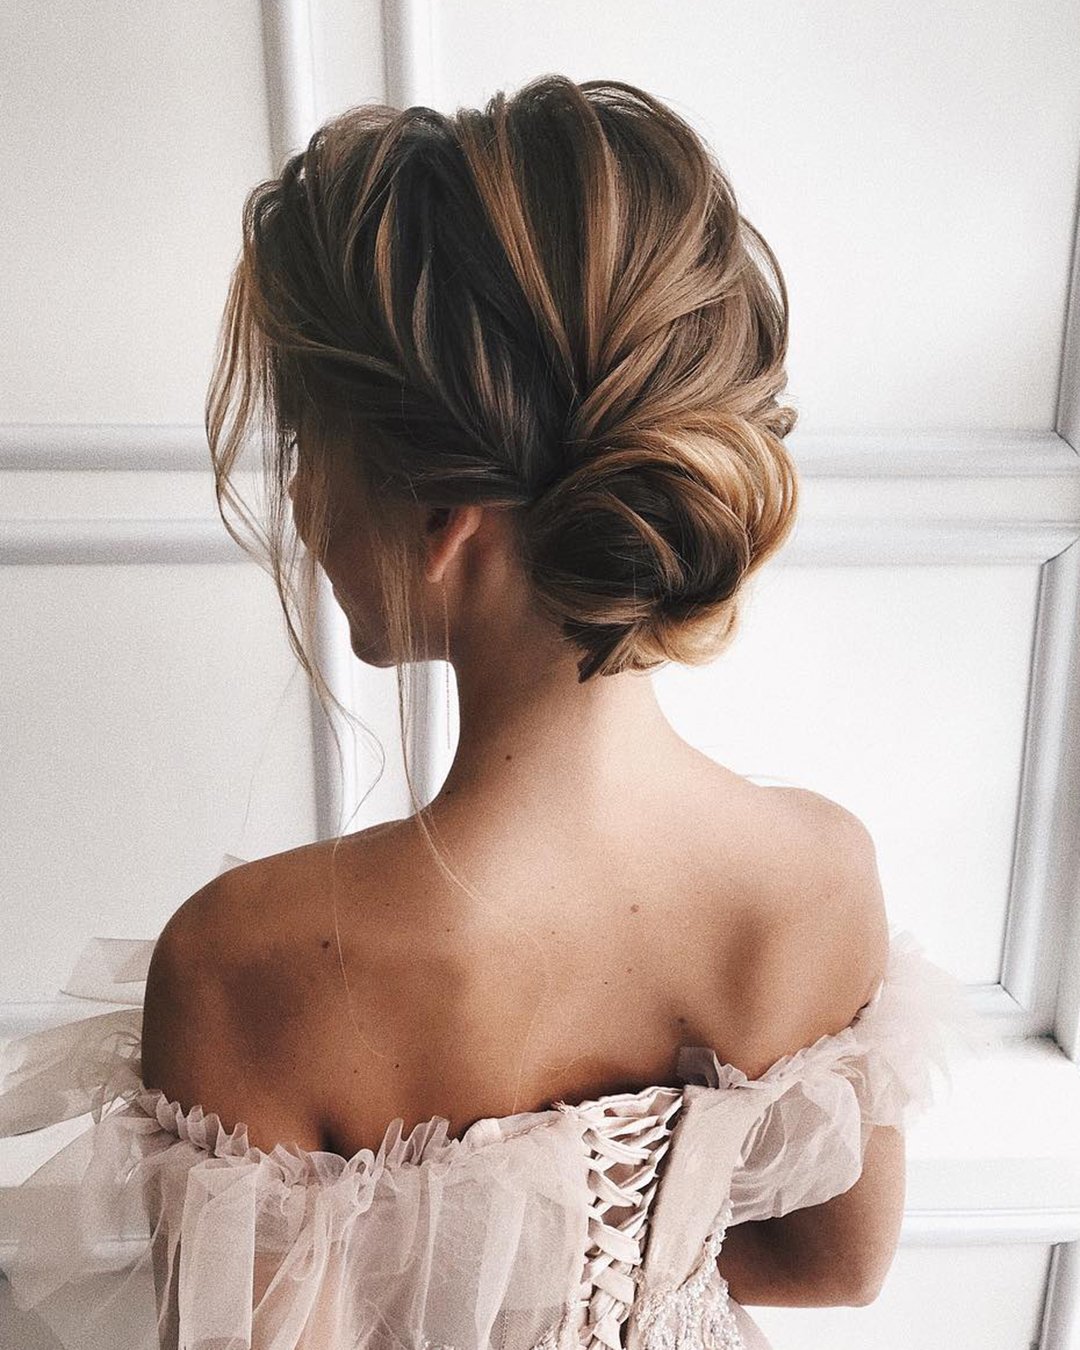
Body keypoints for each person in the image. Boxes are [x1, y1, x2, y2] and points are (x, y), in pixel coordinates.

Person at [0, 74, 984, 1350]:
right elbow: (836, 1267)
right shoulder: (819, 872)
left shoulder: (247, 966)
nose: (297, 499)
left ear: (440, 516)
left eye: (305, 447)